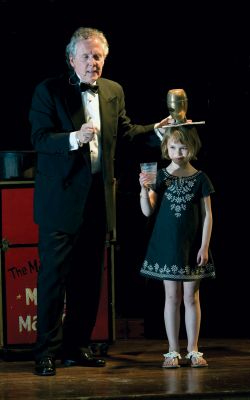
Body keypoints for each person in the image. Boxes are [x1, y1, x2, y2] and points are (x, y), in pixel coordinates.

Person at [29, 26, 171, 376]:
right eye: (87, 56)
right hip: (60, 201)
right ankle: (45, 352)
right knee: (53, 280)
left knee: (89, 279)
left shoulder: (113, 91)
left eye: (98, 57)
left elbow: (124, 132)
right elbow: (40, 138)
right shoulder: (49, 90)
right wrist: (75, 138)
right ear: (71, 59)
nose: (93, 63)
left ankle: (75, 347)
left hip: (97, 199)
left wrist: (156, 131)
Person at [139, 125, 215, 368]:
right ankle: (173, 351)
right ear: (166, 148)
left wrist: (204, 246)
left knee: (191, 298)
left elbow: (207, 215)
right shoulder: (160, 177)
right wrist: (144, 189)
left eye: (183, 147)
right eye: (173, 147)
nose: (178, 152)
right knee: (171, 297)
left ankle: (193, 349)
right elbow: (148, 211)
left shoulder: (200, 178)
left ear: (192, 148)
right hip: (167, 246)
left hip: (192, 246)